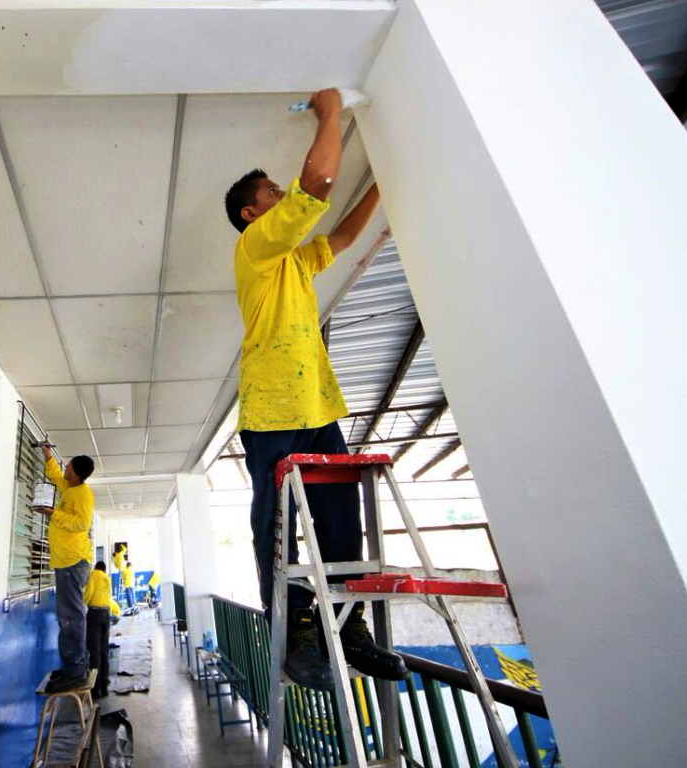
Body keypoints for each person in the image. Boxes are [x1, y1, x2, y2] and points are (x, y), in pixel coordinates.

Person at [224, 87, 407, 690]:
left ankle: (348, 627)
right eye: (271, 193)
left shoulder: (295, 263)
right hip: (273, 412)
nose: (281, 196)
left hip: (318, 409)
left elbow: (345, 236)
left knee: (339, 521)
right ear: (251, 215)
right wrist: (331, 112)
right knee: (276, 525)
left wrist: (382, 182)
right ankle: (295, 632)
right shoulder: (255, 248)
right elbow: (318, 188)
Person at [34, 444, 96, 693]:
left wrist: (54, 514)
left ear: (76, 472)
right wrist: (48, 456)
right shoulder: (70, 489)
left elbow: (81, 524)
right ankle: (77, 666)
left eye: (68, 465)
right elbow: (57, 478)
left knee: (70, 617)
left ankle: (75, 671)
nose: (65, 467)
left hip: (72, 562)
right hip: (66, 562)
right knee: (70, 616)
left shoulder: (83, 494)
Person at [83, 561, 121, 699]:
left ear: (95, 568)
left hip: (95, 614)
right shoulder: (107, 579)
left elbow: (89, 592)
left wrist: (81, 604)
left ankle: (95, 688)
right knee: (104, 650)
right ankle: (105, 685)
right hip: (106, 614)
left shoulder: (93, 574)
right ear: (104, 570)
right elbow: (108, 597)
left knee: (95, 652)